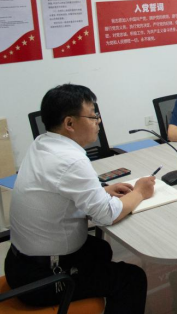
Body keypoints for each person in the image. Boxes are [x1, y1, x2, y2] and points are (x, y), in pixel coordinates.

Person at [5, 84, 154, 313]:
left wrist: (102, 191)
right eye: (93, 116)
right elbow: (107, 215)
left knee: (100, 249)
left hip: (20, 262)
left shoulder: (42, 143)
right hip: (43, 279)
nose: (98, 121)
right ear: (69, 123)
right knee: (132, 279)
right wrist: (140, 192)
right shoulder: (70, 159)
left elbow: (58, 192)